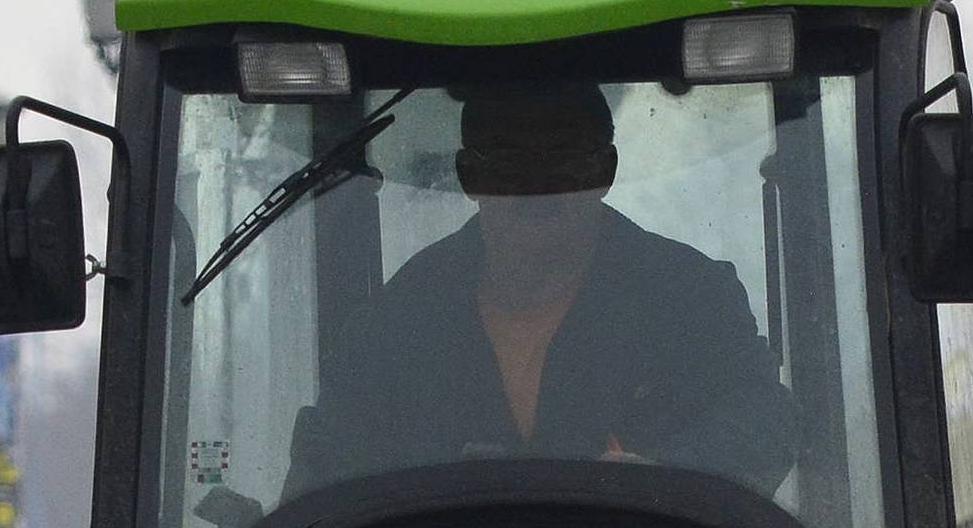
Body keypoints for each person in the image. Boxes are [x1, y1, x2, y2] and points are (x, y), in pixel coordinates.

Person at [286, 80, 797, 499]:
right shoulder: (399, 320)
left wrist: (663, 477)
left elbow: (765, 420)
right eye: (510, 160)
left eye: (564, 158)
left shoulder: (689, 299)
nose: (539, 183)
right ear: (469, 174)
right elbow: (326, 470)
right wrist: (432, 483)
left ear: (606, 171)